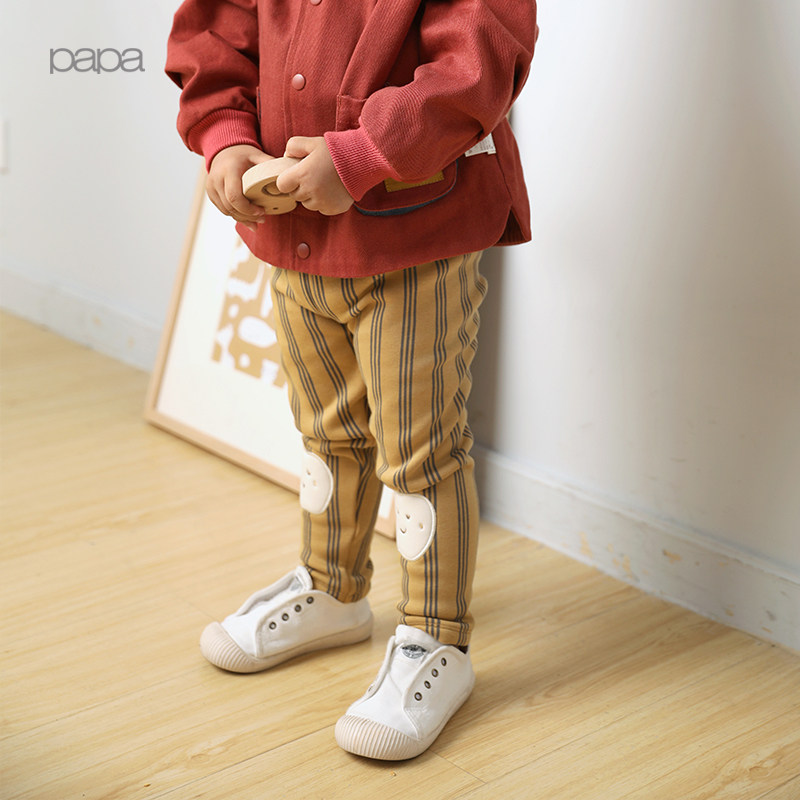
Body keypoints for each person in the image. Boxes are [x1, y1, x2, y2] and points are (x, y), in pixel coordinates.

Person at [166, 0, 537, 761]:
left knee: (422, 454)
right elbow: (218, 29)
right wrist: (226, 137)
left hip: (417, 243)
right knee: (326, 433)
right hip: (294, 234)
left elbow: (476, 60)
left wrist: (366, 154)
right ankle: (332, 587)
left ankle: (436, 638)